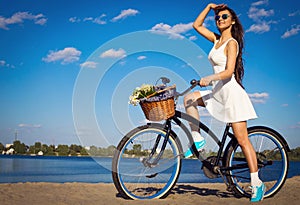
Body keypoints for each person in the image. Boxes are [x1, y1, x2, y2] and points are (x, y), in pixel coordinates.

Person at [183, 3, 265, 202]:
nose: (220, 19)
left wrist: (210, 78)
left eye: (224, 16)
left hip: (232, 95)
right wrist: (209, 6)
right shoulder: (216, 40)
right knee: (189, 99)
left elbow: (229, 72)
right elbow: (196, 25)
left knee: (242, 140)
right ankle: (198, 139)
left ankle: (257, 184)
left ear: (233, 21)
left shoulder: (232, 44)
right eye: (218, 17)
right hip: (218, 92)